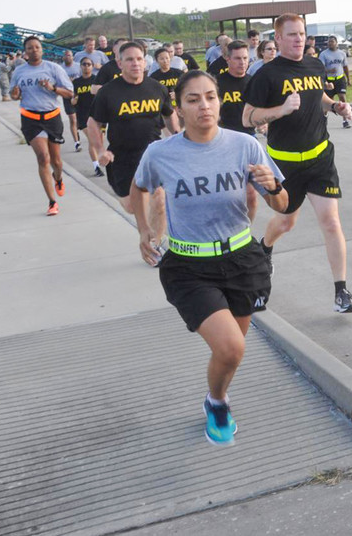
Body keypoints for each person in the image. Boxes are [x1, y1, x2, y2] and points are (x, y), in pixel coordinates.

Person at [131, 70, 288, 446]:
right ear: (179, 108)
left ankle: (214, 395)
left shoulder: (245, 145)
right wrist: (143, 231)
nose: (204, 106)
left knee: (233, 353)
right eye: (193, 99)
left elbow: (282, 204)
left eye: (211, 97)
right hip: (188, 267)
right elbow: (138, 187)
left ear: (220, 101)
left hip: (241, 260)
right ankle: (218, 403)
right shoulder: (161, 153)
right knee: (231, 347)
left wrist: (274, 186)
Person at [240, 13, 352, 313]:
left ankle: (341, 292)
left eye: (302, 33)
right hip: (285, 163)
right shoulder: (267, 75)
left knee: (331, 222)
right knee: (286, 221)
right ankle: (265, 248)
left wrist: (336, 106)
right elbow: (248, 117)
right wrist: (281, 110)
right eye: (292, 34)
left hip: (320, 156)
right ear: (277, 39)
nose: (299, 39)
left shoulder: (314, 64)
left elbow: (318, 96)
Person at [88, 41, 179, 248]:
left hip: (152, 154)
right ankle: (146, 226)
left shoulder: (157, 88)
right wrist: (100, 150)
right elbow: (93, 122)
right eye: (129, 59)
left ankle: (156, 243)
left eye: (139, 59)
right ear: (119, 63)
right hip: (121, 157)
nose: (135, 64)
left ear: (145, 62)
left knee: (159, 199)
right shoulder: (108, 92)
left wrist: (177, 137)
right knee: (131, 206)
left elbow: (169, 114)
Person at [10, 36, 75, 215]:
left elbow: (69, 93)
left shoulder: (53, 68)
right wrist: (15, 94)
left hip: (52, 117)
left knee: (56, 161)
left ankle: (58, 178)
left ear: (42, 49)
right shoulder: (19, 71)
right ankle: (52, 201)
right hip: (30, 118)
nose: (33, 50)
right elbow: (14, 94)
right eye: (29, 48)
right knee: (43, 158)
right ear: (25, 52)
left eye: (37, 47)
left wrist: (52, 88)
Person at [71, 58, 104, 176]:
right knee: (92, 140)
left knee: (99, 140)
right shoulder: (76, 82)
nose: (86, 66)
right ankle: (96, 167)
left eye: (89, 64)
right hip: (83, 115)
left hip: (97, 114)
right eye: (84, 64)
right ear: (80, 66)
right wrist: (73, 100)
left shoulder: (96, 80)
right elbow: (73, 98)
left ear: (92, 66)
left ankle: (100, 162)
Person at [217, 41, 252, 135]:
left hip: (248, 134)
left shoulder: (254, 82)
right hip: (224, 134)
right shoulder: (216, 83)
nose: (242, 62)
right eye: (237, 58)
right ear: (228, 59)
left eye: (245, 58)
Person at [60, 49, 83, 152]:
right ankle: (76, 142)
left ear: (73, 57)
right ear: (63, 57)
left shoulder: (79, 66)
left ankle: (80, 131)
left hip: (80, 94)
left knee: (81, 118)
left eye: (69, 55)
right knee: (73, 119)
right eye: (66, 56)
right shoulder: (60, 68)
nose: (68, 57)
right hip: (67, 96)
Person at [319, 35, 351, 106]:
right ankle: (325, 115)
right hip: (329, 80)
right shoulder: (323, 54)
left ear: (336, 43)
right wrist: (329, 70)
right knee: (329, 101)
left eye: (332, 41)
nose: (330, 43)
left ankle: (345, 115)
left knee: (342, 97)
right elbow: (321, 68)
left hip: (340, 79)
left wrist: (349, 79)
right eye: (329, 42)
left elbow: (345, 66)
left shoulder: (342, 53)